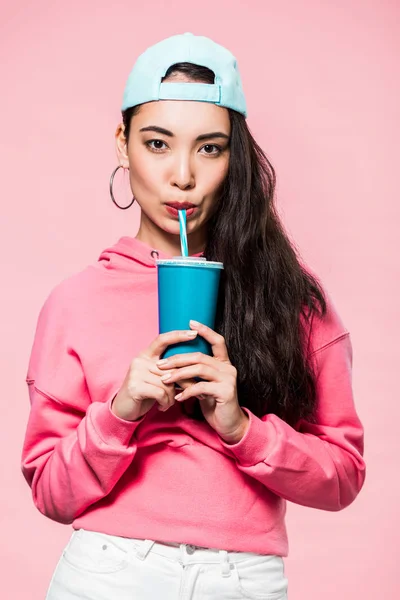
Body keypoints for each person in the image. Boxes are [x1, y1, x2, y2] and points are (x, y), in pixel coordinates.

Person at [21, 32, 366, 600]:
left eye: (209, 148)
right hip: (106, 573)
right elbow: (52, 495)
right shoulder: (75, 302)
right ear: (122, 144)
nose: (182, 175)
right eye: (157, 144)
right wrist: (119, 412)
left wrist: (241, 430)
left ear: (235, 158)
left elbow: (343, 476)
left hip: (243, 580)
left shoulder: (288, 296)